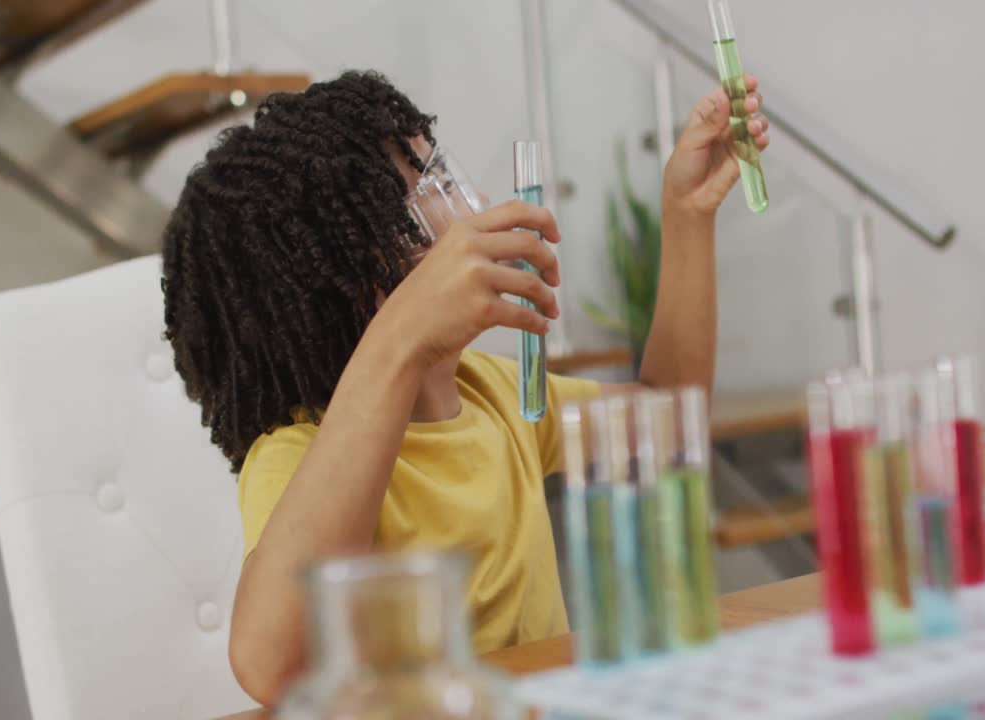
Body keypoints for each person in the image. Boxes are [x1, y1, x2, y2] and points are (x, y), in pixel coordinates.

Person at [160, 69, 769, 704]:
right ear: (356, 268)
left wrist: (688, 212)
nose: (477, 199)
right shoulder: (300, 452)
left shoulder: (494, 394)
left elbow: (665, 417)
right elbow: (271, 665)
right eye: (439, 185)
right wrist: (398, 342)